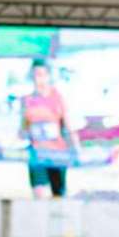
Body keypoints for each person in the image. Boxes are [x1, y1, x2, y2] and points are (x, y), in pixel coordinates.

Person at [21, 59, 80, 198]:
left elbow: (68, 125)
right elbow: (23, 128)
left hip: (57, 153)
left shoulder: (58, 97)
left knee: (58, 196)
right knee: (38, 193)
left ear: (48, 76)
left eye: (41, 74)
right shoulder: (27, 101)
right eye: (35, 75)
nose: (38, 79)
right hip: (36, 154)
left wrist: (76, 147)